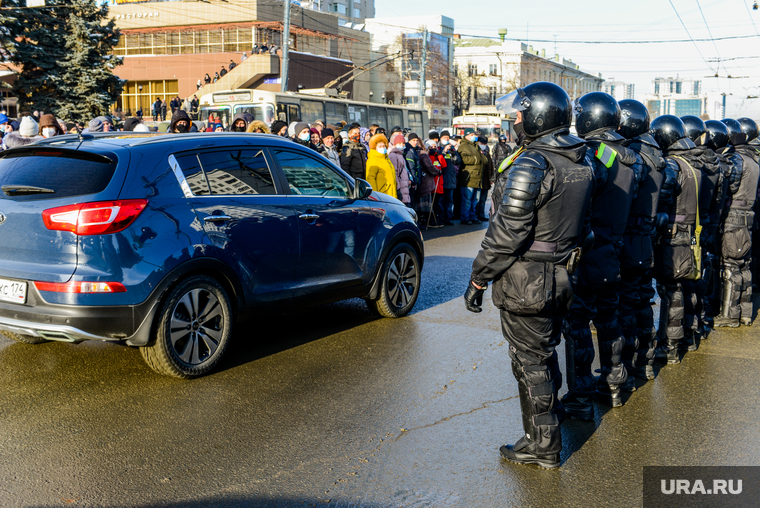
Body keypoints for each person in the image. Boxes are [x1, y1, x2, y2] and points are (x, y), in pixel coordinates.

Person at [464, 82, 595, 469]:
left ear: (538, 114)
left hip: (527, 280)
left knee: (529, 362)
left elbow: (507, 233)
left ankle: (542, 445)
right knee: (543, 355)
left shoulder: (533, 162)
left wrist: (478, 278)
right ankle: (546, 433)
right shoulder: (579, 160)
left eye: (520, 114)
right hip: (560, 275)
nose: (516, 120)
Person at [562, 92, 642, 416]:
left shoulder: (597, 154)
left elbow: (583, 200)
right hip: (615, 250)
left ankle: (580, 398)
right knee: (609, 320)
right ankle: (613, 386)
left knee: (578, 324)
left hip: (590, 251)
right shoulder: (629, 156)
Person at [616, 99, 668, 382]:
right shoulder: (655, 153)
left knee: (626, 304)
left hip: (630, 236)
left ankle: (626, 367)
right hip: (645, 237)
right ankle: (644, 362)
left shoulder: (633, 154)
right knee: (643, 300)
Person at [651, 116, 700, 365]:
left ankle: (669, 347)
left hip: (672, 235)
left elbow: (661, 197)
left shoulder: (672, 165)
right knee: (685, 286)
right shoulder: (692, 162)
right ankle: (688, 336)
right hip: (688, 234)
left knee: (672, 291)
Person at [678, 115, 722, 350]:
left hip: (690, 227)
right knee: (699, 272)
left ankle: (688, 332)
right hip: (703, 224)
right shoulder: (712, 161)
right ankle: (700, 323)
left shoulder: (689, 163)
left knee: (686, 280)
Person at [711, 118, 760, 327]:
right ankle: (745, 313)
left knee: (729, 265)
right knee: (744, 265)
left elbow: (728, 187)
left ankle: (729, 315)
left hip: (733, 216)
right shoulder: (753, 158)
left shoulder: (736, 159)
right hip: (748, 216)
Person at [458, 128, 486, 225]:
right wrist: (475, 159)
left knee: (475, 200)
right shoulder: (463, 146)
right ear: (467, 135)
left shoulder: (476, 146)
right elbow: (463, 159)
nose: (474, 136)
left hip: (477, 177)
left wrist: (482, 157)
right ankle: (465, 217)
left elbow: (483, 160)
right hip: (468, 178)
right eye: (472, 134)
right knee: (467, 200)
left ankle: (473, 216)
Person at [415, 139, 442, 228]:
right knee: (426, 204)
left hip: (420, 180)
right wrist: (437, 171)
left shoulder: (415, 153)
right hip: (426, 181)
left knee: (420, 203)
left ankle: (424, 220)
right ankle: (427, 221)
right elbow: (429, 166)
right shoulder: (423, 154)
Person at [439, 130, 462, 225]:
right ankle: (441, 218)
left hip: (451, 180)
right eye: (444, 137)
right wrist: (444, 151)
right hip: (442, 180)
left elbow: (457, 161)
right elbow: (438, 160)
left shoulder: (451, 149)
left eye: (448, 137)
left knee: (449, 201)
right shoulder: (438, 148)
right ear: (441, 138)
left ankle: (448, 218)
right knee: (441, 202)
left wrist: (452, 152)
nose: (446, 139)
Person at [365, 133, 397, 199]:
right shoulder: (373, 159)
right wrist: (374, 195)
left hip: (391, 192)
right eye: (380, 146)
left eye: (384, 146)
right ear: (375, 147)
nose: (383, 148)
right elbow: (370, 179)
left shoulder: (386, 158)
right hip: (382, 194)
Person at [389, 132, 411, 205]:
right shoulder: (393, 155)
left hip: (404, 186)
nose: (402, 145)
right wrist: (398, 188)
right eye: (399, 143)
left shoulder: (400, 154)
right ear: (395, 144)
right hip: (400, 188)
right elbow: (394, 173)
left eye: (403, 143)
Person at [476, 136, 494, 222]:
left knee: (483, 199)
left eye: (484, 144)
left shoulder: (486, 153)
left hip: (486, 180)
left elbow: (490, 166)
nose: (483, 145)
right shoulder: (476, 152)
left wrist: (491, 178)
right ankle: (475, 215)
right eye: (482, 143)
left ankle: (481, 214)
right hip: (477, 179)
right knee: (476, 199)